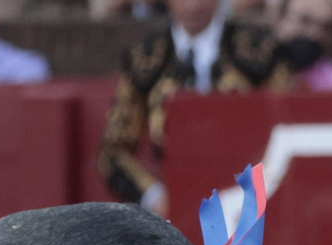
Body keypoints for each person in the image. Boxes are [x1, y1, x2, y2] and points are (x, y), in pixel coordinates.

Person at [97, 0, 290, 214]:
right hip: (173, 206)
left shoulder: (261, 50)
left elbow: (285, 130)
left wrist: (254, 193)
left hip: (249, 203)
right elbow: (113, 151)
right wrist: (154, 196)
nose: (193, 4)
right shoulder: (143, 57)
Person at [274, 0, 332, 91]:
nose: (315, 33)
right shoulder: (259, 74)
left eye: (325, 27)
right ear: (280, 20)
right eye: (304, 20)